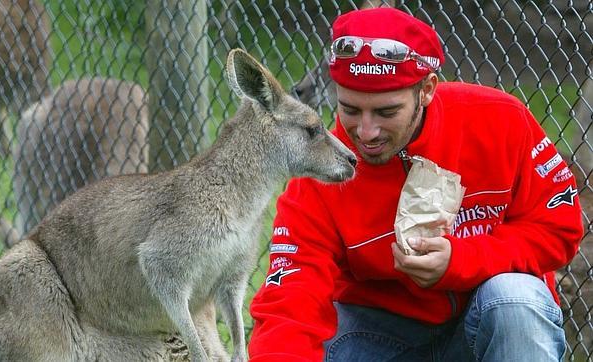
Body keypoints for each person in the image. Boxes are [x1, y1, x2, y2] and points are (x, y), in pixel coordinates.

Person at [248, 7, 583, 362]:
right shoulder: (321, 176)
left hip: (482, 323)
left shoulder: (501, 122)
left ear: (426, 90)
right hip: (377, 334)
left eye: (386, 112)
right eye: (349, 109)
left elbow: (558, 227)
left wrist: (463, 259)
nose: (365, 132)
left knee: (516, 299)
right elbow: (290, 301)